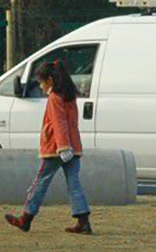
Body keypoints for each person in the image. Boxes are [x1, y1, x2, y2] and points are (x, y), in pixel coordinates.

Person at [5, 58, 95, 235]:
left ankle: (26, 219)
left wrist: (62, 147)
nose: (40, 86)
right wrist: (70, 147)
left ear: (50, 81)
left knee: (40, 182)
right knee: (74, 183)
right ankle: (83, 222)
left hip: (56, 149)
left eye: (41, 82)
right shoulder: (70, 96)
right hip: (74, 148)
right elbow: (71, 123)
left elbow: (58, 123)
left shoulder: (54, 98)